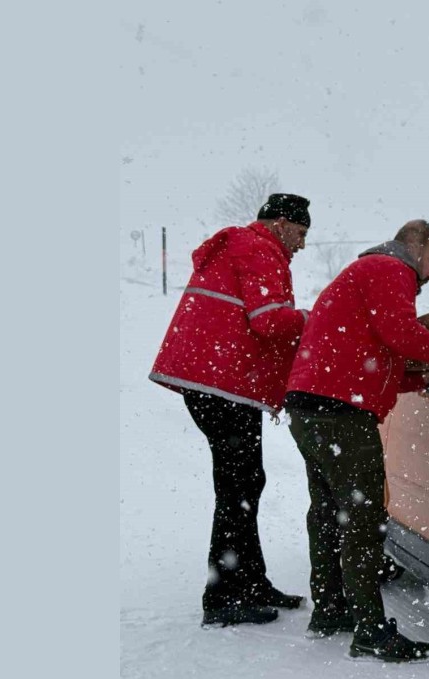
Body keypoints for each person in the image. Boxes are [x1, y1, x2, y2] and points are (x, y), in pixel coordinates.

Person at [283, 219, 429, 662]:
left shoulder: (366, 274)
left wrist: (423, 376)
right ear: (415, 247)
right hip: (340, 413)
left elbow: (381, 361)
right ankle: (370, 630)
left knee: (329, 512)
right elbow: (401, 336)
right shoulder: (391, 269)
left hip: (311, 406)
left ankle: (330, 609)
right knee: (363, 519)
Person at [149, 193, 312, 627]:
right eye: (299, 233)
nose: (301, 244)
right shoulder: (258, 248)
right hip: (222, 384)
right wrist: (310, 318)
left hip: (217, 382)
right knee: (237, 486)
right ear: (280, 224)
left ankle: (251, 582)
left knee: (245, 481)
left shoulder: (244, 246)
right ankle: (221, 595)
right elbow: (270, 320)